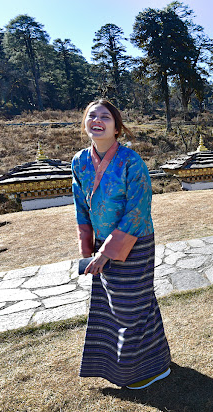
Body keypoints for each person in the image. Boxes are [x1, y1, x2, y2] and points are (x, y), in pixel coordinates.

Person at [71, 99, 171, 389]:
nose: (97, 120)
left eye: (105, 116)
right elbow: (81, 206)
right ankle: (155, 360)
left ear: (117, 127)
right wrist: (89, 247)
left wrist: (106, 252)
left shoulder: (131, 161)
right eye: (92, 115)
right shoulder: (79, 161)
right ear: (85, 123)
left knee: (131, 306)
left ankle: (147, 370)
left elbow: (138, 209)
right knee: (113, 305)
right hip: (102, 243)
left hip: (135, 241)